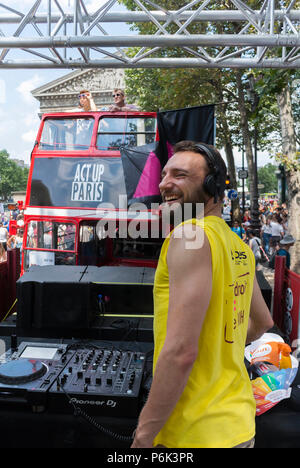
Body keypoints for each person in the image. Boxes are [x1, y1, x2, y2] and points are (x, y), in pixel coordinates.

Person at [131, 140, 274, 449]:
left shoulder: (188, 235)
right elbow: (262, 323)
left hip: (194, 433)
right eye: (165, 173)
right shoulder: (238, 245)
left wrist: (143, 437)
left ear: (211, 187)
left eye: (179, 175)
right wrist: (219, 343)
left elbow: (181, 352)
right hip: (237, 425)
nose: (164, 183)